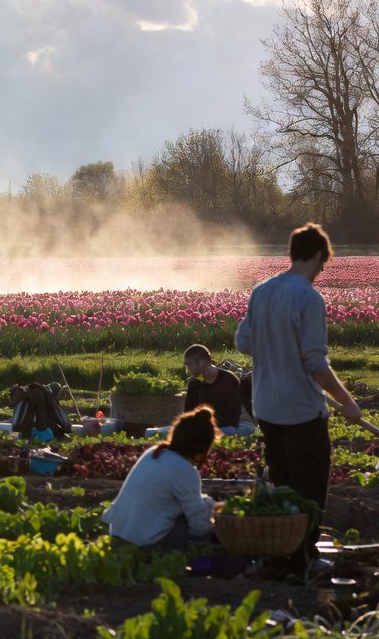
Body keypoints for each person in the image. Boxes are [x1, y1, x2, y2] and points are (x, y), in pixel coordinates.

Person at [235, 222, 362, 573]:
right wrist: (347, 401)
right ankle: (304, 556)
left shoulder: (262, 291)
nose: (322, 270)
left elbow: (243, 343)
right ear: (319, 256)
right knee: (308, 486)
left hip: (267, 406)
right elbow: (315, 363)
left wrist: (272, 344)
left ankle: (283, 553)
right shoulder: (308, 297)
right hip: (302, 410)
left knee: (283, 482)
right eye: (324, 262)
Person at [101, 407, 220, 551]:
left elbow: (190, 497)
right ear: (202, 448)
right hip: (143, 544)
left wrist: (211, 504)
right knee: (189, 521)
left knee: (198, 507)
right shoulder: (184, 469)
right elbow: (199, 524)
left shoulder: (154, 453)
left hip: (117, 535)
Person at [182, 344, 252, 435]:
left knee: (246, 429)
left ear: (201, 362)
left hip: (234, 426)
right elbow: (188, 413)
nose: (188, 369)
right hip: (206, 428)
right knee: (160, 432)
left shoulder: (228, 379)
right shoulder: (194, 383)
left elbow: (232, 417)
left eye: (189, 364)